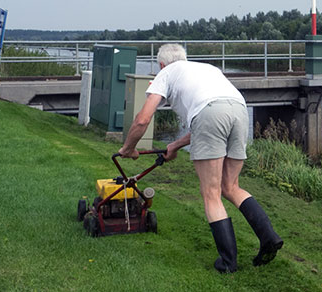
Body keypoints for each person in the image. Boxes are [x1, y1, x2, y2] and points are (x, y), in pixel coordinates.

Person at [117, 43, 282, 273]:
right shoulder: (206, 69)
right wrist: (174, 145)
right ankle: (269, 238)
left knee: (211, 194)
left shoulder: (166, 73)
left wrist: (128, 148)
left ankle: (227, 263)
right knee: (231, 186)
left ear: (162, 65)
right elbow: (209, 118)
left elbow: (143, 119)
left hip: (210, 114)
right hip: (239, 109)